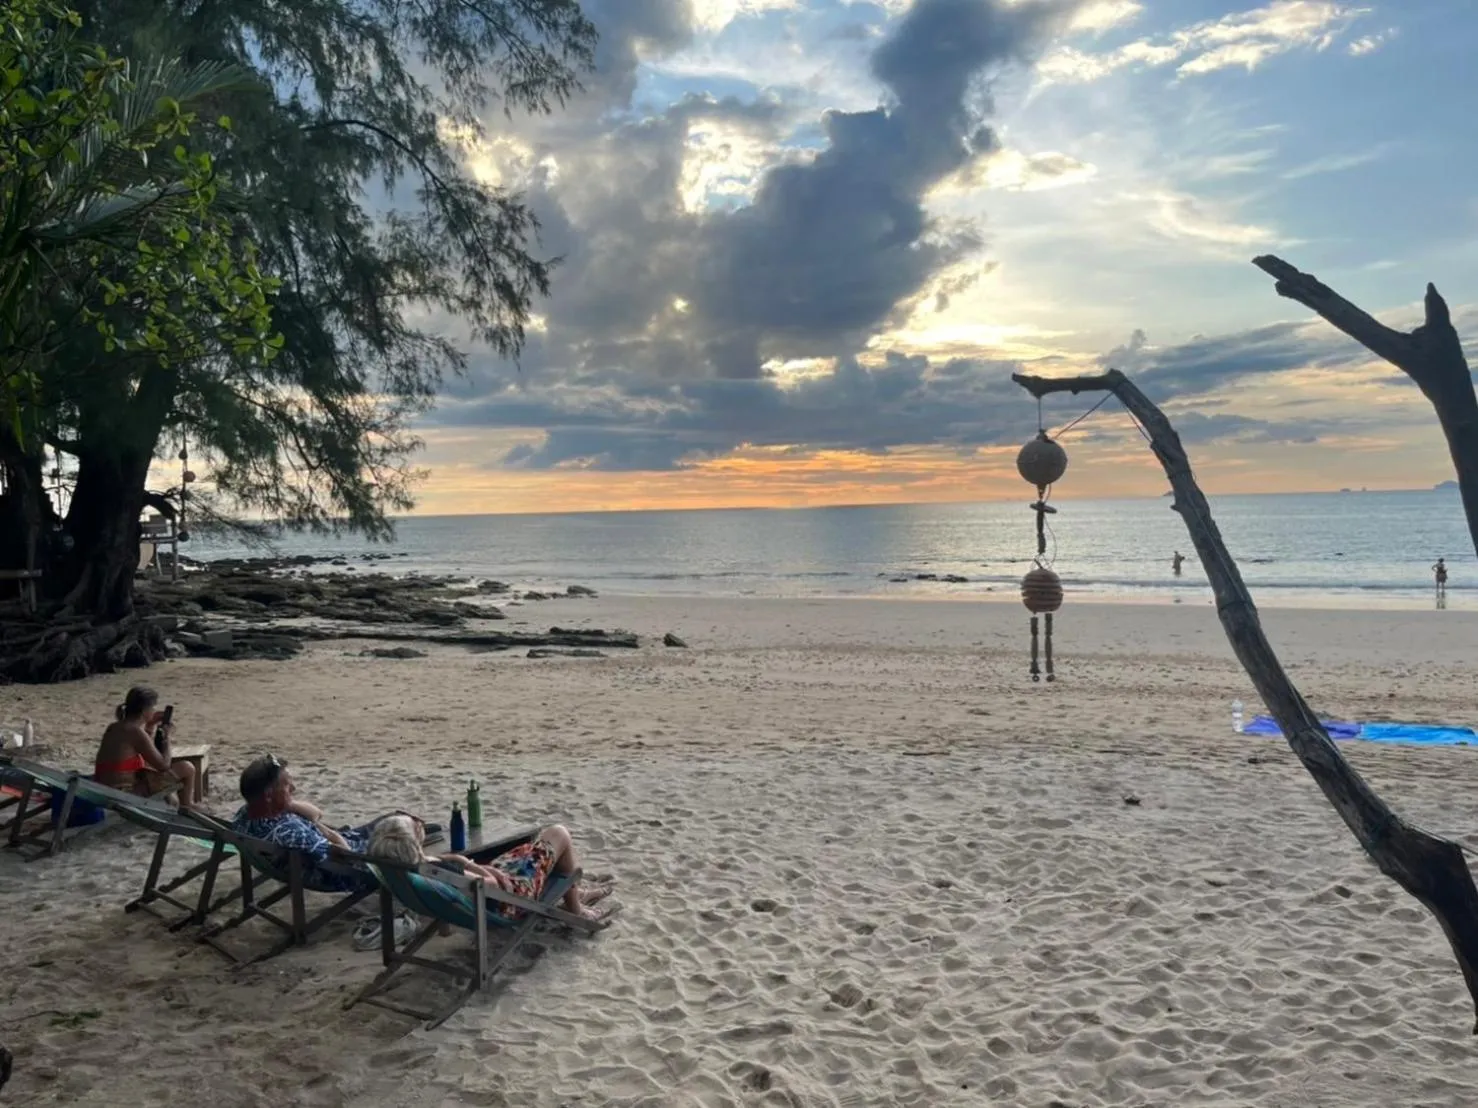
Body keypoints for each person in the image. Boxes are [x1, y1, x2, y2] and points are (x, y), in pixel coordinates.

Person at [368, 814, 613, 923]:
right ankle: (576, 908)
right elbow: (491, 886)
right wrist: (467, 863)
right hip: (512, 896)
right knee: (558, 834)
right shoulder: (440, 871)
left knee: (535, 847)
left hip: (492, 891)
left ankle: (575, 894)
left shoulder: (406, 868)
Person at [232, 755, 391, 892]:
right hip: (352, 870)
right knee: (400, 830)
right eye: (287, 785)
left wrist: (289, 804)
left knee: (392, 820)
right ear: (268, 795)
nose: (293, 788)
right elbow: (346, 857)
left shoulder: (246, 814)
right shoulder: (290, 833)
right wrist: (330, 833)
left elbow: (316, 814)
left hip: (323, 851)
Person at [93, 686, 199, 808]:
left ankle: (182, 804)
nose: (154, 711)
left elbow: (145, 753)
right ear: (144, 710)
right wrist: (167, 737)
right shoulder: (135, 731)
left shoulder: (115, 727)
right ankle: (187, 805)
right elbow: (163, 765)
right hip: (123, 793)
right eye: (153, 707)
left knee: (165, 790)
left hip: (105, 787)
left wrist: (151, 725)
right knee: (187, 768)